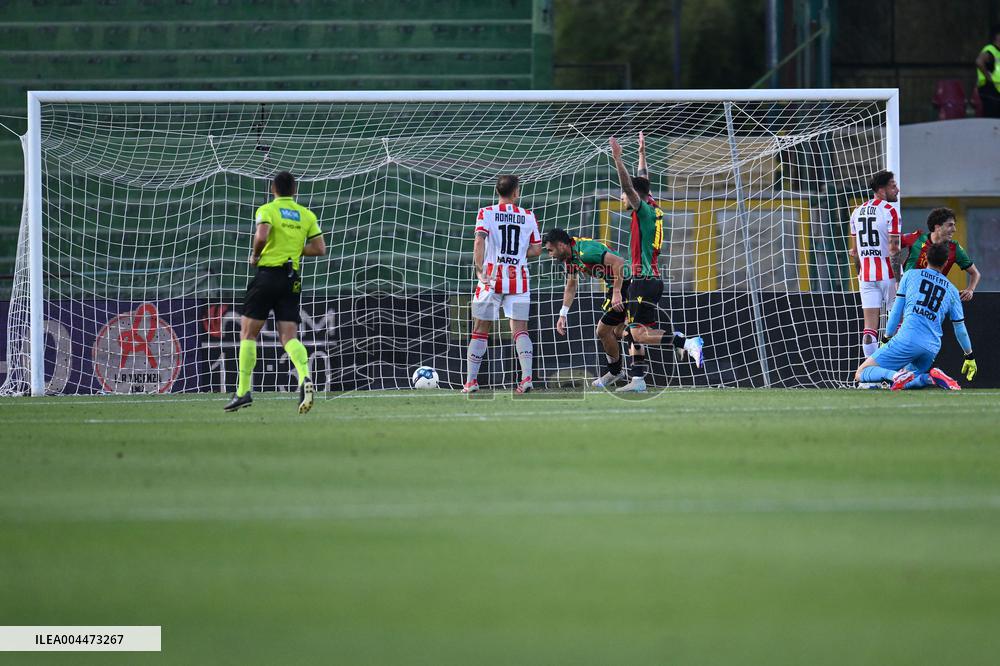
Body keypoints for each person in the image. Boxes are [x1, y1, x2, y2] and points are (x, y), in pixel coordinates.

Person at [609, 135, 704, 393]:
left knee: (635, 334)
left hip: (644, 278)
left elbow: (630, 186)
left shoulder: (641, 208)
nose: (622, 198)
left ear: (634, 196)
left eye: (624, 195)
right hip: (650, 278)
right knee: (635, 330)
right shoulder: (652, 203)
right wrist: (641, 153)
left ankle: (685, 342)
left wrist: (618, 158)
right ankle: (638, 380)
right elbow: (642, 180)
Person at [225, 171, 326, 413]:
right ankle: (304, 377)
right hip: (292, 279)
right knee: (289, 337)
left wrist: (256, 254)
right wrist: (293, 249)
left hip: (268, 276)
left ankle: (243, 391)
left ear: (273, 189)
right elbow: (320, 248)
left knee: (248, 334)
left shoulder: (267, 210)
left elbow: (261, 234)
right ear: (295, 190)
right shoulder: (306, 215)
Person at [854, 242, 976, 391]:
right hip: (931, 348)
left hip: (907, 339)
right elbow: (960, 328)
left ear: (926, 257)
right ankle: (929, 377)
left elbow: (897, 312)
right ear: (945, 263)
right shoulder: (951, 290)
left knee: (861, 373)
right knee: (904, 383)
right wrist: (969, 355)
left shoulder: (911, 275)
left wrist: (886, 338)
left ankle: (894, 376)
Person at [463, 175, 543, 394]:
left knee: (480, 330)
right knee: (520, 331)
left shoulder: (486, 213)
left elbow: (479, 240)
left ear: (498, 192)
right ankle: (526, 377)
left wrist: (479, 270)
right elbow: (537, 249)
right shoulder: (528, 216)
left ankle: (471, 382)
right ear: (516, 192)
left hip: (490, 280)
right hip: (519, 280)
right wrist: (517, 254)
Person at [542, 228, 630, 388]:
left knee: (602, 331)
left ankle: (615, 372)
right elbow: (571, 285)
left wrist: (617, 292)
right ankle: (673, 339)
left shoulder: (586, 251)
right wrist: (563, 314)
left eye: (550, 250)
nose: (550, 254)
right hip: (616, 286)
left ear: (561, 245)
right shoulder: (570, 259)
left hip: (627, 282)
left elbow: (619, 263)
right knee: (618, 332)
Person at [848, 170, 900, 358]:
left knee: (869, 329)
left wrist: (859, 275)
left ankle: (870, 377)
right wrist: (898, 279)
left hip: (866, 276)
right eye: (893, 186)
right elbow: (894, 248)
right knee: (898, 324)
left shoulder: (856, 212)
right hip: (888, 275)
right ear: (881, 189)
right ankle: (898, 372)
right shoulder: (890, 211)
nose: (897, 190)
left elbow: (855, 252)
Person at [901, 207, 980, 301]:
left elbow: (975, 273)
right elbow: (890, 247)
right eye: (950, 225)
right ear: (937, 227)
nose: (954, 229)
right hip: (906, 295)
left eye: (954, 225)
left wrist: (970, 289)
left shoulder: (955, 248)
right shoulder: (915, 239)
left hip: (929, 301)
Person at [975, 25, 1000, 118]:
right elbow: (979, 62)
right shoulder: (990, 49)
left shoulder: (998, 52)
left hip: (996, 91)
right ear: (997, 36)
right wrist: (988, 77)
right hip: (989, 90)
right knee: (992, 119)